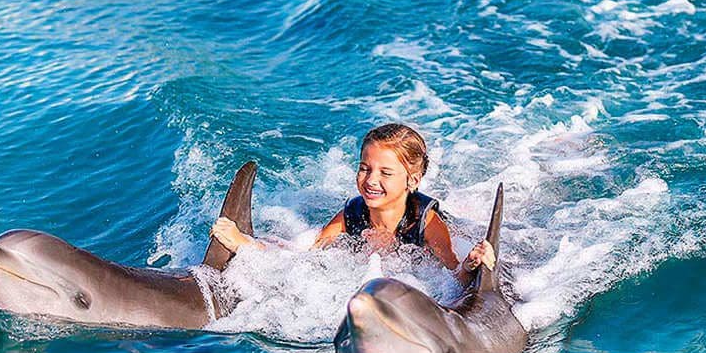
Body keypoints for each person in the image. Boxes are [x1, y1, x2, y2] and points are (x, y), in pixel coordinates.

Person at [210, 123, 495, 287]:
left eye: (385, 173)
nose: (371, 180)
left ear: (412, 180)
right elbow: (303, 255)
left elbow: (452, 276)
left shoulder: (426, 222)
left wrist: (471, 265)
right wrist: (245, 244)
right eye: (364, 168)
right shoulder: (353, 213)